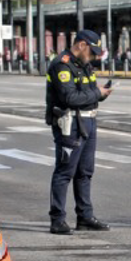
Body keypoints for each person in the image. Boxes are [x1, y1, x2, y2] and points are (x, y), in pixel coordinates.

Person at [46, 29, 113, 235]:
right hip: (70, 125)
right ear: (81, 45)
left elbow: (87, 93)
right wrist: (96, 93)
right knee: (64, 172)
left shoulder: (84, 65)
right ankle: (57, 219)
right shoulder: (62, 65)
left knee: (85, 172)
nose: (93, 57)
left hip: (88, 121)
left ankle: (85, 216)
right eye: (92, 52)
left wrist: (101, 94)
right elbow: (70, 98)